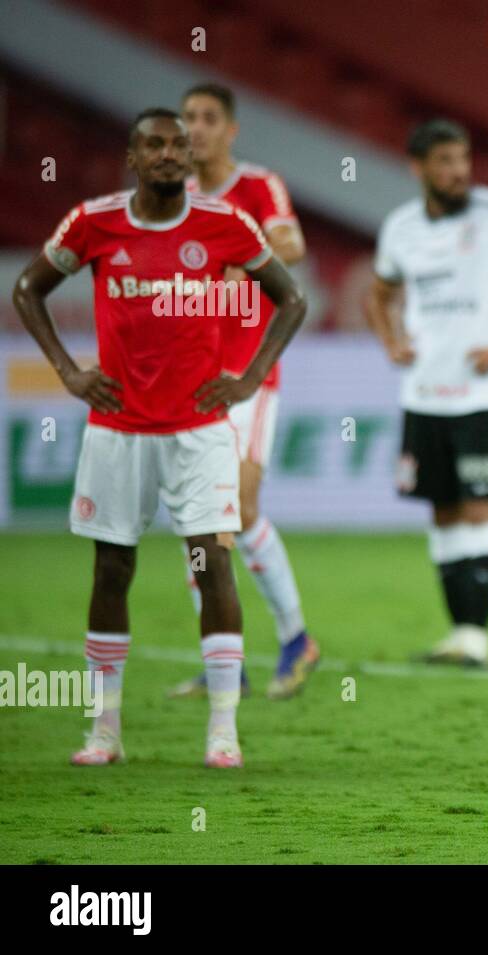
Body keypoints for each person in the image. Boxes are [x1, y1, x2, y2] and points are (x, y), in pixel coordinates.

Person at [11, 109, 307, 768]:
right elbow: (29, 287)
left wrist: (249, 377)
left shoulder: (223, 224)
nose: (171, 153)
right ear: (133, 157)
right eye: (156, 144)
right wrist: (67, 369)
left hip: (199, 428)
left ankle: (223, 730)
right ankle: (105, 730)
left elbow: (291, 298)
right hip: (117, 429)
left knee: (212, 563)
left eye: (179, 143)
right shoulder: (94, 220)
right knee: (112, 569)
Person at [364, 119, 488, 666]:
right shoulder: (401, 227)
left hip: (480, 395)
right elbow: (377, 293)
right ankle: (459, 634)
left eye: (462, 159)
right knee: (442, 513)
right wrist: (391, 341)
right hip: (423, 392)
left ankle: (478, 636)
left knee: (481, 510)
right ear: (418, 168)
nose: (458, 171)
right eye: (445, 161)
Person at [168, 82, 320, 701]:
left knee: (242, 507)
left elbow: (292, 244)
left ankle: (295, 639)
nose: (196, 128)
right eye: (188, 119)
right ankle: (221, 658)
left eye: (208, 118)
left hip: (248, 374)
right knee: (196, 519)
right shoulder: (170, 198)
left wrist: (244, 248)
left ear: (231, 129)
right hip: (186, 378)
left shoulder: (257, 186)